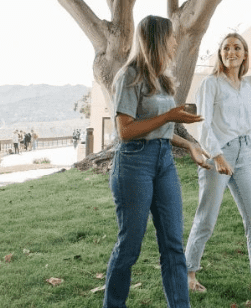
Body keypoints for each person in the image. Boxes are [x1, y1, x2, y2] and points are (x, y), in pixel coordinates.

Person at [103, 15, 210, 308]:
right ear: (157, 39)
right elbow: (126, 130)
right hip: (134, 164)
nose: (175, 42)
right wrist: (169, 116)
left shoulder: (162, 79)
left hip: (163, 161)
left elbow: (160, 130)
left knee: (173, 245)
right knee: (130, 246)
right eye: (171, 37)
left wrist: (188, 144)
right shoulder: (130, 76)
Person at [184, 33, 251, 298]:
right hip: (218, 153)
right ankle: (186, 275)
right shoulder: (211, 84)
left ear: (244, 54)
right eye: (226, 48)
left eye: (237, 48)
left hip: (243, 156)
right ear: (220, 54)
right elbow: (204, 122)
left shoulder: (246, 87)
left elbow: (248, 125)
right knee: (206, 218)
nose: (231, 52)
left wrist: (248, 156)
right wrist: (217, 156)